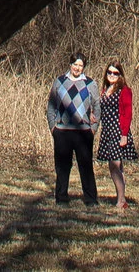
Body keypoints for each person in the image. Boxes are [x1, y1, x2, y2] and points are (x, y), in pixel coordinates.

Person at [45, 53, 99, 204]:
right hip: (62, 131)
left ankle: (91, 200)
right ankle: (61, 198)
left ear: (84, 67)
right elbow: (51, 106)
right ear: (70, 64)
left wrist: (93, 129)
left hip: (83, 133)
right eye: (75, 64)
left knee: (86, 166)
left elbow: (97, 106)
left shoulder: (90, 84)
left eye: (80, 65)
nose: (77, 68)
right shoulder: (60, 81)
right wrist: (53, 127)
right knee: (62, 167)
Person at [96, 60, 138, 210]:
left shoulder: (124, 90)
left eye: (115, 73)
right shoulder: (105, 90)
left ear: (120, 75)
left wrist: (124, 135)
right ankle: (121, 198)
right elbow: (100, 111)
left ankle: (121, 201)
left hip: (118, 132)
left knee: (115, 166)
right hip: (107, 132)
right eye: (109, 72)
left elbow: (128, 114)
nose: (112, 75)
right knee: (115, 167)